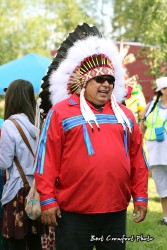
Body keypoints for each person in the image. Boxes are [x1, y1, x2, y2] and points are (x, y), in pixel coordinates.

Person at [34, 23, 149, 250]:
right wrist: (47, 199)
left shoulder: (124, 115)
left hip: (115, 214)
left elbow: (137, 159)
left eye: (110, 80)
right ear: (84, 82)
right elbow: (46, 158)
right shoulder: (61, 113)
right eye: (100, 79)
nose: (106, 84)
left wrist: (141, 196)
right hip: (74, 215)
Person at [0, 79, 45, 250]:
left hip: (16, 192)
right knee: (34, 241)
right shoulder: (38, 123)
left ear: (11, 98)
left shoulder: (9, 125)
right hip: (35, 190)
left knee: (15, 242)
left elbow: (4, 163)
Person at [140, 76, 167, 225]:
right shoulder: (151, 107)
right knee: (162, 186)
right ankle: (165, 217)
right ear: (163, 90)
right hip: (156, 154)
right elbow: (142, 126)